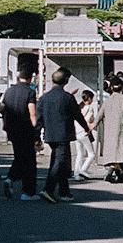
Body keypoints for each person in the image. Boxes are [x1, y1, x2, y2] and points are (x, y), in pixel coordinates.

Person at [35, 68, 93, 202]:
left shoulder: (44, 98)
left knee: (59, 161)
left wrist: (36, 136)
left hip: (50, 134)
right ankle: (48, 189)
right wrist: (86, 128)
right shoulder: (67, 97)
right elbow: (77, 115)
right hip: (63, 134)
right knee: (60, 162)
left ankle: (64, 191)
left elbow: (39, 119)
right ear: (65, 81)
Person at [0, 60, 41, 200]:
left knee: (20, 157)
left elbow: (3, 109)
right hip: (26, 130)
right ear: (30, 78)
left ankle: (10, 178)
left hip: (12, 129)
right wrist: (37, 133)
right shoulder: (30, 92)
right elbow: (32, 114)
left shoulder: (9, 91)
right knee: (29, 160)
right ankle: (28, 192)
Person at [96, 74, 123, 183]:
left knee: (112, 153)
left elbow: (99, 115)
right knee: (120, 153)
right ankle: (112, 170)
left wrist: (91, 126)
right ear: (121, 87)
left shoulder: (107, 100)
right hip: (121, 129)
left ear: (111, 88)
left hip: (109, 131)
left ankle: (119, 175)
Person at [73, 90, 97, 179]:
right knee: (91, 154)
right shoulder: (89, 108)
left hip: (76, 133)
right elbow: (89, 120)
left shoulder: (79, 107)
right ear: (89, 98)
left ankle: (76, 174)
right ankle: (83, 170)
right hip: (84, 132)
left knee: (80, 154)